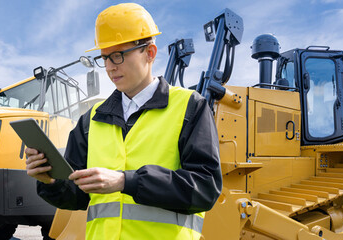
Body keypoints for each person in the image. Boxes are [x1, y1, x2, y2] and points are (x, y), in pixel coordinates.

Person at [25, 3, 222, 239]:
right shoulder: (91, 120)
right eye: (104, 57)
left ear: (150, 53)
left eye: (118, 55)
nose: (109, 67)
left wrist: (125, 182)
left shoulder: (190, 107)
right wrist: (49, 180)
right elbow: (75, 197)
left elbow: (205, 188)